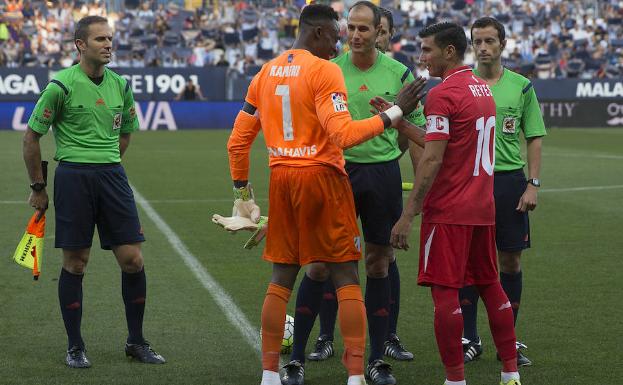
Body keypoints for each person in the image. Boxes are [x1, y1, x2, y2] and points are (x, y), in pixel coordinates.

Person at [225, 4, 425, 385]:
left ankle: (270, 374)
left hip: (281, 178)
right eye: (336, 36)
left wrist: (242, 192)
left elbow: (237, 142)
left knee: (281, 277)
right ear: (318, 33)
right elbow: (344, 136)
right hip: (323, 178)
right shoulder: (324, 70)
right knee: (346, 275)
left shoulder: (264, 73)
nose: (339, 45)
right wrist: (396, 112)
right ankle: (354, 375)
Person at [23, 16, 165, 369]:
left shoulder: (120, 84)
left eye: (110, 38)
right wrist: (38, 187)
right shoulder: (61, 86)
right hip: (73, 178)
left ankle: (136, 341)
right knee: (76, 263)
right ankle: (75, 346)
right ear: (80, 45)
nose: (108, 44)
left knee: (133, 259)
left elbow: (127, 132)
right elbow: (31, 139)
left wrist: (108, 161)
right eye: (100, 38)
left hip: (113, 177)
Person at [390, 22, 522, 385]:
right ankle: (510, 372)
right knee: (491, 285)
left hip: (448, 211)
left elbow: (432, 160)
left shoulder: (443, 94)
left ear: (449, 52)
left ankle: (455, 380)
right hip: (482, 208)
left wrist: (408, 214)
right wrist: (401, 124)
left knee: (445, 293)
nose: (422, 57)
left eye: (427, 49)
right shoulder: (482, 90)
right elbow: (445, 143)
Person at [460, 16, 546, 367]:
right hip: (470, 181)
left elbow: (534, 135)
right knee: (468, 263)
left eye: (489, 41)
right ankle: (469, 337)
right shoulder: (462, 84)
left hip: (509, 182)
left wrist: (533, 183)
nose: (482, 47)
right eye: (477, 41)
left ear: (503, 44)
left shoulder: (521, 86)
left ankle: (506, 340)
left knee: (510, 260)